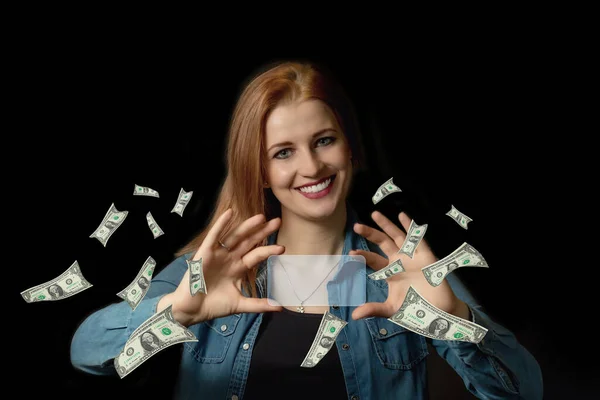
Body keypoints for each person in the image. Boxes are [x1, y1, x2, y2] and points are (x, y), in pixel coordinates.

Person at [70, 60, 543, 399]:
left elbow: (523, 389)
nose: (312, 166)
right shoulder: (213, 270)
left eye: (324, 141)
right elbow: (86, 351)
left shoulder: (402, 271)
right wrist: (174, 311)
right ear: (258, 169)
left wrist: (454, 318)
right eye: (283, 152)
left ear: (351, 148)